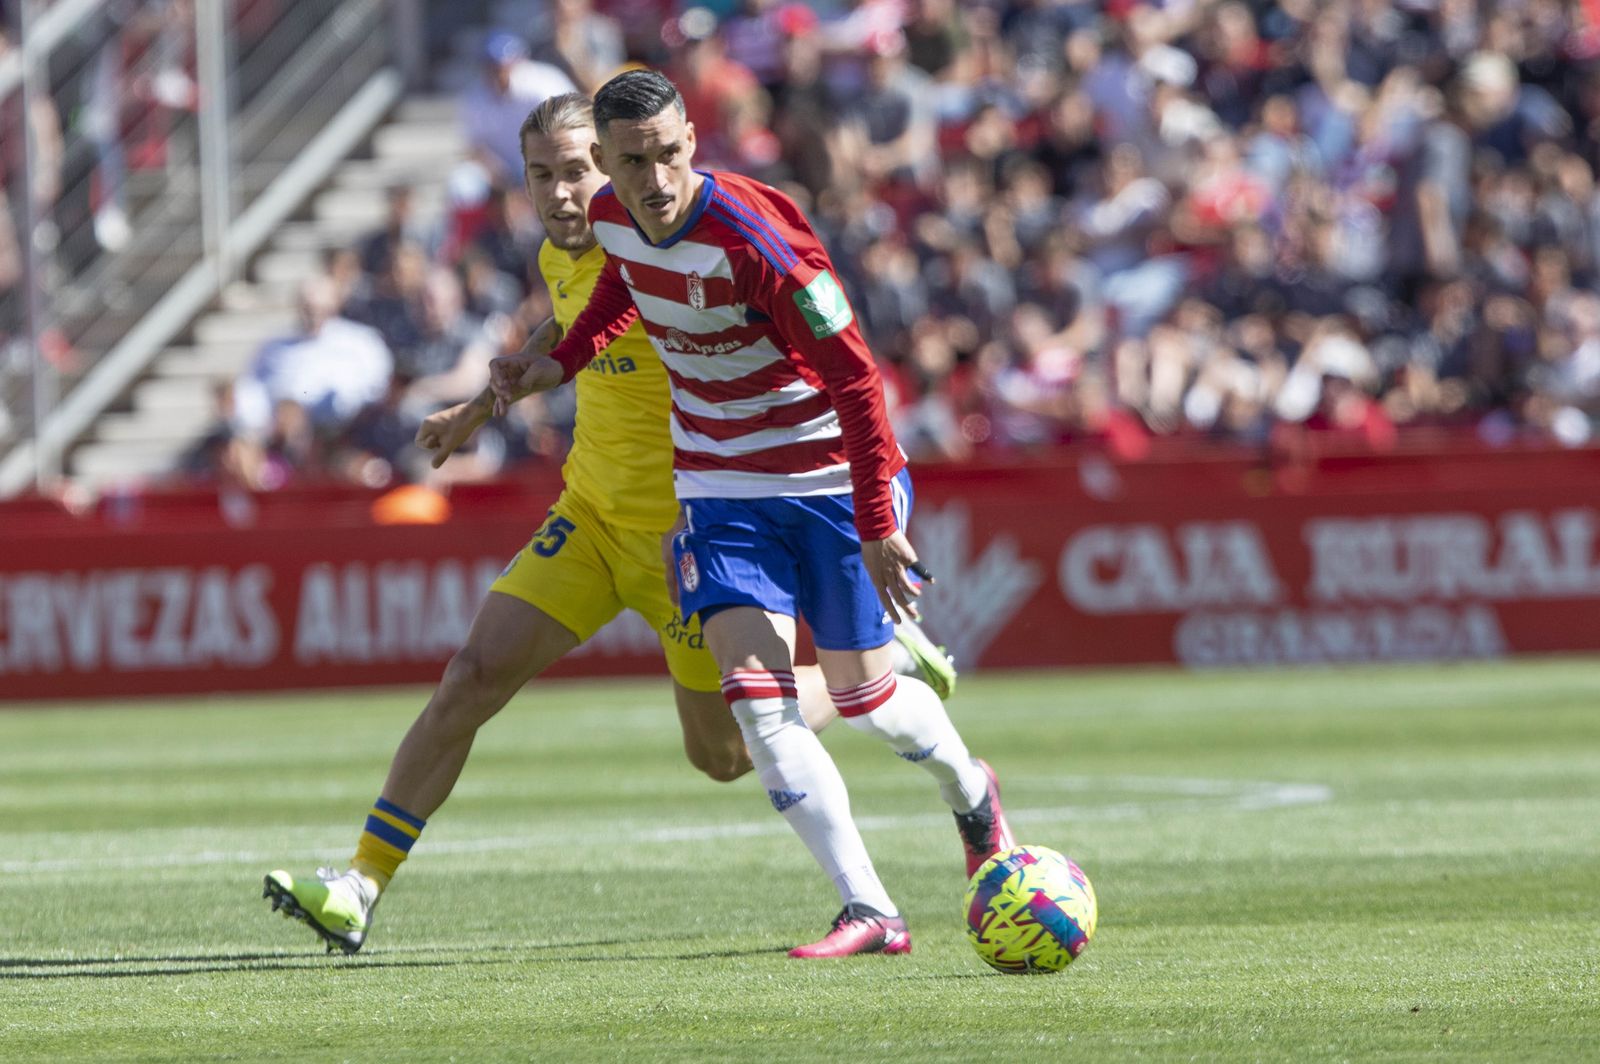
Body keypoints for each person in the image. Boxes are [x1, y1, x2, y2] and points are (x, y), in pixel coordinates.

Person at [262, 92, 954, 954]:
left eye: (579, 171)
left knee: (723, 756)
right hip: (590, 516)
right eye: (540, 176)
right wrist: (481, 407)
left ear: (621, 165)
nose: (560, 195)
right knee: (473, 674)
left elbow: (772, 351)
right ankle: (359, 884)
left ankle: (879, 675)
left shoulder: (675, 249)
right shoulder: (582, 247)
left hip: (692, 532)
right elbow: (576, 324)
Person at [489, 70, 1012, 958]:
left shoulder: (758, 241)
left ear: (692, 140)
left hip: (821, 477)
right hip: (719, 483)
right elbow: (627, 286)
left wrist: (879, 519)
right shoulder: (614, 219)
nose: (653, 181)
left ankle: (972, 789)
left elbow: (856, 377)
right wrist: (563, 359)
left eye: (667, 155)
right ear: (604, 165)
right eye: (630, 163)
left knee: (868, 701)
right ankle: (870, 908)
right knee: (758, 706)